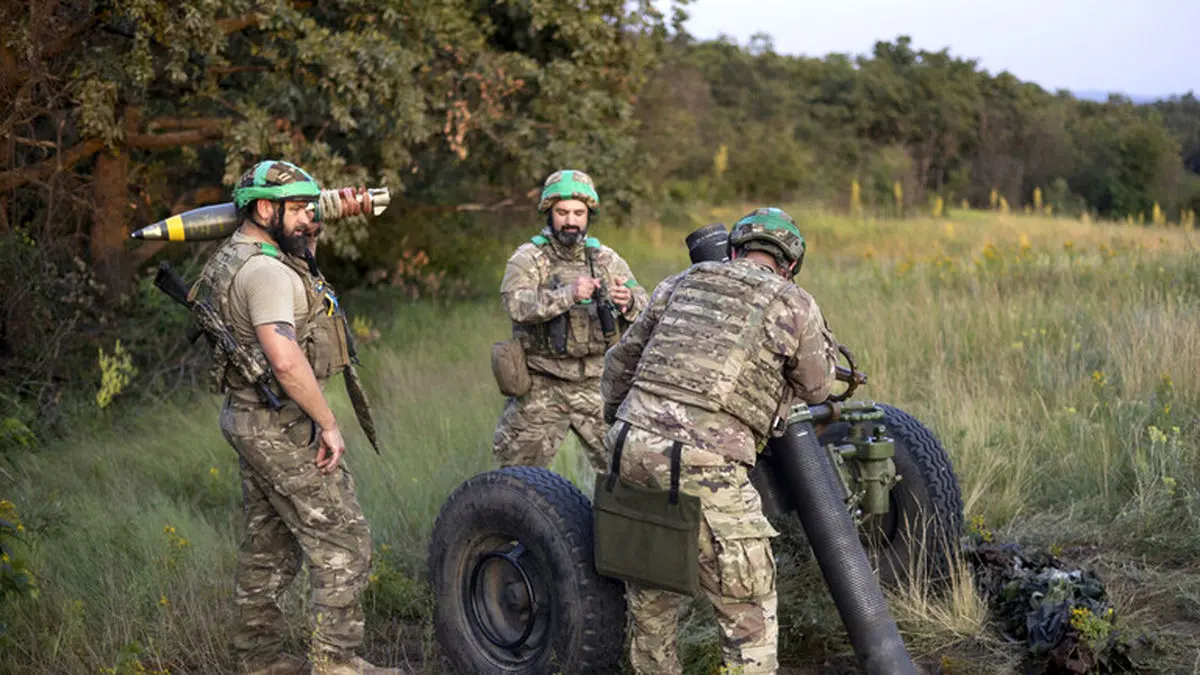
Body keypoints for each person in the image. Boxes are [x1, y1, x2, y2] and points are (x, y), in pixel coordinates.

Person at [599, 207, 839, 674]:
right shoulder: (793, 303)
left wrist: (622, 425)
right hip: (705, 463)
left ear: (734, 250)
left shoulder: (679, 283)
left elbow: (620, 363)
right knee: (747, 612)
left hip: (630, 445)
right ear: (789, 264)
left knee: (652, 599)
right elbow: (816, 388)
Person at [190, 160, 396, 675]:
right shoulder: (264, 272)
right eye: (301, 210)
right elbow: (283, 357)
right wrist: (327, 421)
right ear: (265, 209)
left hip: (248, 417)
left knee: (270, 544)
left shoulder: (241, 253)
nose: (311, 219)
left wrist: (321, 219)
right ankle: (337, 664)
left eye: (311, 209)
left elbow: (301, 259)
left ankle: (257, 661)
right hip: (280, 425)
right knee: (344, 541)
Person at [492, 169, 649, 472]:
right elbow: (515, 304)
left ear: (589, 215)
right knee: (517, 476)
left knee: (627, 473)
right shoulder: (528, 258)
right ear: (549, 213)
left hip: (597, 383)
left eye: (579, 212)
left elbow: (645, 303)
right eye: (562, 212)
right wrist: (568, 294)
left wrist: (627, 301)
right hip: (542, 384)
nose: (571, 220)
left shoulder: (606, 259)